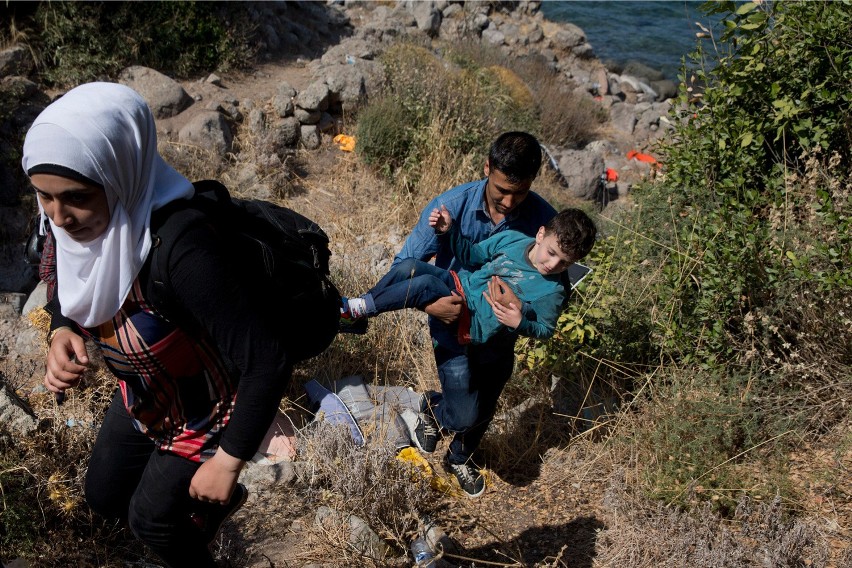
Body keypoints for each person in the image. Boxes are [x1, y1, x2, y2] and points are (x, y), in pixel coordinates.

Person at [23, 82, 294, 567]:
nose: (58, 218)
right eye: (43, 196)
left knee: (151, 521)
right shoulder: (73, 217)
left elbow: (267, 357)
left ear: (119, 174)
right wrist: (62, 327)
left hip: (208, 406)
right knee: (104, 500)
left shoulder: (182, 248)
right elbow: (70, 271)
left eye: (75, 198)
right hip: (145, 392)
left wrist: (227, 462)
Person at [383, 131, 589, 498]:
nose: (510, 202)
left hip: (500, 335)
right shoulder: (452, 204)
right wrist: (431, 305)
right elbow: (406, 266)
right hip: (451, 317)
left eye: (520, 192)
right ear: (487, 168)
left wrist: (522, 316)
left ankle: (461, 456)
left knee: (487, 400)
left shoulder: (546, 221)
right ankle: (434, 408)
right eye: (501, 191)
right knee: (462, 409)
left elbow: (559, 294)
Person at [341, 206, 596, 349]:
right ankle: (358, 312)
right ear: (541, 234)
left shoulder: (553, 291)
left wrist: (520, 321)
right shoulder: (514, 239)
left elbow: (545, 329)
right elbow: (473, 256)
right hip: (462, 285)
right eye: (552, 253)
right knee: (409, 265)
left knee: (426, 283)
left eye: (565, 263)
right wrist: (448, 231)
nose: (553, 264)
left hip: (473, 318)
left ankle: (355, 308)